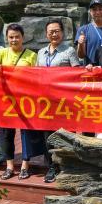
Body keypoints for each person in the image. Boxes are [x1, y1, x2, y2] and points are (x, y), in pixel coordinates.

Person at [0, 23, 39, 181]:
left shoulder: (31, 55)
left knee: (26, 132)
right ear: (7, 38)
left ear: (23, 37)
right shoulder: (2, 52)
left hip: (25, 99)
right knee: (6, 133)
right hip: (6, 100)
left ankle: (25, 165)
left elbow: (38, 76)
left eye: (17, 36)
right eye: (11, 37)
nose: (14, 40)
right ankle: (9, 166)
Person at [36, 19, 81, 183]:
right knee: (48, 134)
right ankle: (52, 166)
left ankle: (68, 165)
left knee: (66, 133)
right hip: (46, 101)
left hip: (65, 101)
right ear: (46, 34)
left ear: (62, 33)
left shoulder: (69, 51)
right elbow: (35, 74)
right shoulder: (41, 52)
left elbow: (77, 73)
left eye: (57, 31)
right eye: (51, 31)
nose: (54, 34)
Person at [75, 0, 102, 64]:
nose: (97, 12)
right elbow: (81, 56)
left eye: (100, 9)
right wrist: (81, 44)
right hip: (90, 69)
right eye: (94, 10)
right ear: (90, 12)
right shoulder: (83, 30)